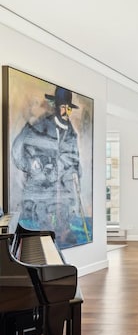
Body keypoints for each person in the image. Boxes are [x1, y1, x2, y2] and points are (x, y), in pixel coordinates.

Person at [11, 86, 83, 246]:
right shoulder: (39, 126)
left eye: (69, 108)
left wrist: (77, 172)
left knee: (63, 210)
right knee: (41, 220)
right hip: (39, 186)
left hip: (61, 185)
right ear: (56, 107)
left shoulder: (71, 132)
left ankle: (63, 233)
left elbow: (74, 156)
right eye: (63, 107)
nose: (66, 112)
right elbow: (17, 148)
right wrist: (30, 165)